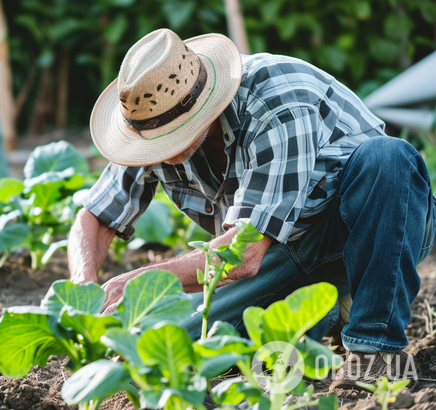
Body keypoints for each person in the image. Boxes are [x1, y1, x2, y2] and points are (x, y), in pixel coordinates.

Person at [67, 28, 435, 390]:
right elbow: (95, 218)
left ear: (203, 104)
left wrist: (140, 282)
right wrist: (84, 288)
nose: (160, 150)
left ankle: (374, 349)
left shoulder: (277, 101)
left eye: (173, 135)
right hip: (281, 255)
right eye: (154, 142)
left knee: (387, 157)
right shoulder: (149, 120)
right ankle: (325, 310)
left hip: (370, 229)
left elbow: (243, 254)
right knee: (177, 352)